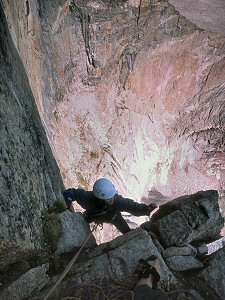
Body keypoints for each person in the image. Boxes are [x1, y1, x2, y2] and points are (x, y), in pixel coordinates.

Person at [63, 177, 157, 234]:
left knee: (126, 231)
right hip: (94, 215)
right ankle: (89, 217)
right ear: (100, 198)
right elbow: (73, 193)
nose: (112, 199)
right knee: (89, 217)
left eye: (112, 196)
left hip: (114, 216)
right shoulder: (88, 198)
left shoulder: (117, 201)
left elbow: (131, 206)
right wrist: (68, 200)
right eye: (109, 198)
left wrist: (146, 210)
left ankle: (128, 234)